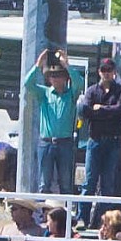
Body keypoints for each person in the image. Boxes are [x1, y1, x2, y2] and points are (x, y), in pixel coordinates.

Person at [24, 49, 83, 197]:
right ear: (49, 79)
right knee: (44, 183)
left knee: (66, 183)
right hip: (46, 142)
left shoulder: (71, 94)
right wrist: (38, 65)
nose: (56, 79)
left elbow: (79, 83)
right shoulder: (44, 93)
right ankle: (42, 214)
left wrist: (67, 65)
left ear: (65, 78)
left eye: (59, 76)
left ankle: (66, 217)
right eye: (52, 76)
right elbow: (27, 84)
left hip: (65, 142)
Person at [78, 57, 121, 215]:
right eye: (104, 70)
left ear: (114, 72)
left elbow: (120, 110)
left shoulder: (120, 90)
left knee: (108, 184)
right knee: (89, 182)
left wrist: (100, 110)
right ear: (99, 72)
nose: (106, 73)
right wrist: (109, 111)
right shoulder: (92, 90)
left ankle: (103, 219)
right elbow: (85, 110)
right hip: (95, 141)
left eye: (109, 70)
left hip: (113, 142)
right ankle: (83, 218)